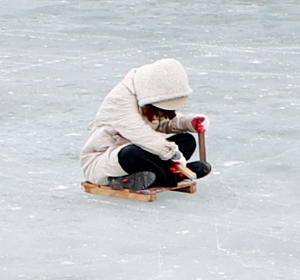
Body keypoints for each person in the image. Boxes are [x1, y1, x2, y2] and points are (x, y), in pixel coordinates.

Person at [80, 58, 210, 192]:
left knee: (186, 140)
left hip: (142, 151)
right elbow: (141, 134)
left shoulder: (149, 96)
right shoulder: (120, 101)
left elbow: (161, 122)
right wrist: (173, 154)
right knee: (133, 153)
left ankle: (159, 174)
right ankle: (171, 177)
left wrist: (190, 122)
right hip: (103, 163)